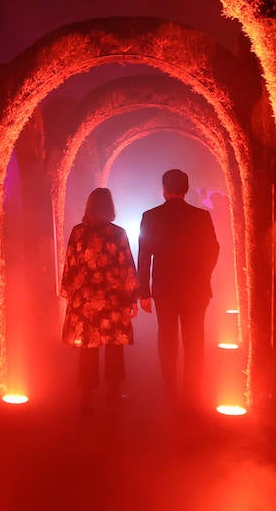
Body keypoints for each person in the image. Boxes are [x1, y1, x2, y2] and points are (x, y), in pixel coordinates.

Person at [136, 168, 219, 413]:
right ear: (186, 189)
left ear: (164, 189)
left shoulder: (150, 217)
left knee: (167, 336)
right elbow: (213, 250)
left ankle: (169, 385)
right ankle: (192, 389)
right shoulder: (201, 216)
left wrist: (144, 291)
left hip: (165, 288)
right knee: (195, 338)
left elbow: (144, 256)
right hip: (196, 289)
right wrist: (205, 275)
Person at [60, 187, 139, 416]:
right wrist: (132, 297)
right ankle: (113, 390)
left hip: (85, 301)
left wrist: (69, 295)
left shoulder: (78, 233)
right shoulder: (118, 234)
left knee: (88, 347)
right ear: (109, 208)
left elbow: (70, 265)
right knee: (114, 346)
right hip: (113, 299)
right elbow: (126, 267)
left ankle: (86, 395)